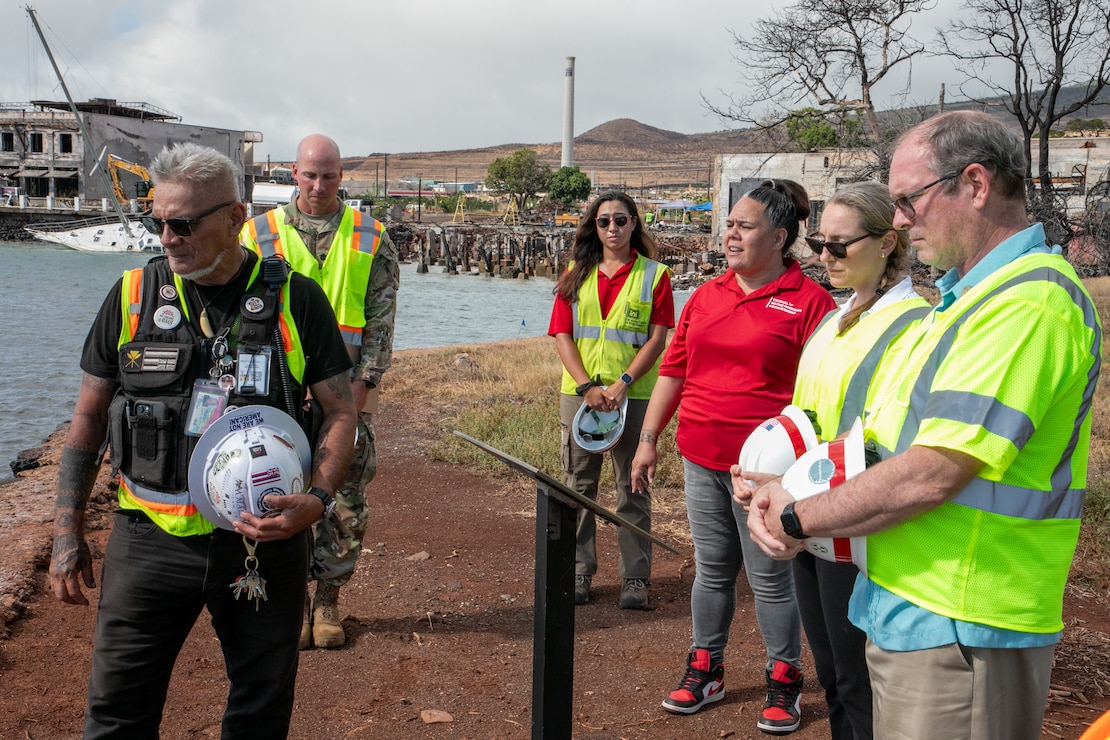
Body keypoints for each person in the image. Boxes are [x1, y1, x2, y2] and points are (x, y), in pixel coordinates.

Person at [747, 110, 1103, 740]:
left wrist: (799, 516)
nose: (902, 219)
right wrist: (784, 482)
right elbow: (885, 446)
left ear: (975, 184)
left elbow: (932, 472)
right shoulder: (964, 302)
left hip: (965, 621)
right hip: (918, 612)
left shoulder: (1027, 303)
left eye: (909, 199)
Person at [48, 142, 357, 738]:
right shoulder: (133, 296)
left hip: (261, 545)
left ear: (237, 218)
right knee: (116, 713)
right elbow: (86, 417)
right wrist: (67, 531)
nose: (168, 237)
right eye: (158, 221)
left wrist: (316, 501)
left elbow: (340, 412)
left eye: (184, 223)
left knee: (259, 712)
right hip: (148, 541)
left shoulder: (297, 299)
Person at [631, 180, 836, 734]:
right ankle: (706, 667)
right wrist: (649, 438)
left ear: (780, 236)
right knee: (713, 570)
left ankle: (784, 676)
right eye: (729, 225)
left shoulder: (810, 301)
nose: (730, 235)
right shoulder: (705, 294)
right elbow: (674, 369)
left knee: (771, 577)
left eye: (744, 226)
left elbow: (825, 391)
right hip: (700, 456)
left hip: (768, 472)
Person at [739, 181, 929, 740]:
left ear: (887, 243)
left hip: (850, 518)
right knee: (829, 668)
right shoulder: (835, 318)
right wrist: (761, 466)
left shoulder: (913, 325)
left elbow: (888, 434)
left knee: (856, 674)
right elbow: (807, 414)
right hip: (806, 508)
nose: (825, 257)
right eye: (821, 243)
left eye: (840, 246)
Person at [241, 133, 399, 649]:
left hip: (348, 393)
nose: (318, 185)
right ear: (293, 172)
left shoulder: (370, 236)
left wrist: (360, 390)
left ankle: (328, 600)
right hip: (274, 395)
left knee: (343, 498)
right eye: (310, 174)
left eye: (329, 175)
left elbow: (380, 325)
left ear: (341, 176)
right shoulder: (256, 235)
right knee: (269, 488)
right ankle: (281, 600)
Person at [548, 191, 675, 609]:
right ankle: (579, 572)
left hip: (633, 396)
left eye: (621, 220)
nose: (613, 228)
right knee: (578, 486)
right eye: (604, 221)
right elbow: (563, 335)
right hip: (581, 396)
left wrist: (622, 383)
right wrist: (587, 386)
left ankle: (635, 579)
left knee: (632, 486)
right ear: (594, 227)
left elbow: (658, 338)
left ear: (635, 223)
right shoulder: (574, 273)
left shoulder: (654, 275)